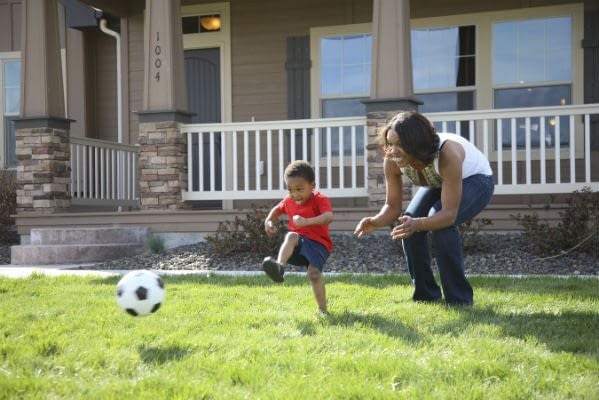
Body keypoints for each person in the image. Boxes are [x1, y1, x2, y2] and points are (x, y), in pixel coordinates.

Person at [354, 111, 494, 306]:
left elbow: (448, 215)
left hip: (476, 181)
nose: (392, 151)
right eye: (389, 143)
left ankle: (459, 299)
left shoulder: (447, 154)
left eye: (399, 144)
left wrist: (420, 223)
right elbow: (393, 207)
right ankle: (426, 296)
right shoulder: (392, 160)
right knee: (408, 222)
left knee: (441, 223)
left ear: (415, 143)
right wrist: (376, 221)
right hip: (439, 183)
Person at [262, 160, 334, 313]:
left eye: (299, 189)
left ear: (312, 186)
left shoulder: (320, 199)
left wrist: (307, 222)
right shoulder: (289, 201)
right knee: (292, 235)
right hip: (298, 244)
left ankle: (323, 310)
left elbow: (328, 216)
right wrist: (269, 221)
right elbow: (277, 209)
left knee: (314, 275)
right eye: (290, 190)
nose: (295, 194)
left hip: (318, 244)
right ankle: (279, 267)